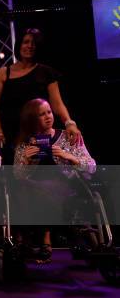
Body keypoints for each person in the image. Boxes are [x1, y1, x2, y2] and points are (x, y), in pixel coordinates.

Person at [13, 98, 95, 263]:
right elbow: (17, 176)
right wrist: (27, 161)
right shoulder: (26, 144)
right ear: (32, 119)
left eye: (49, 112)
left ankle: (47, 239)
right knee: (23, 191)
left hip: (67, 187)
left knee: (43, 190)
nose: (48, 117)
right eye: (42, 114)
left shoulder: (68, 137)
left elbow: (91, 166)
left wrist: (68, 156)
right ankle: (29, 243)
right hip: (33, 191)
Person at [0, 29, 82, 162]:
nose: (30, 46)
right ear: (19, 45)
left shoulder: (46, 72)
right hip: (12, 134)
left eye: (34, 43)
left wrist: (69, 123)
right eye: (26, 42)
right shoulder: (4, 72)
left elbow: (57, 104)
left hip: (40, 135)